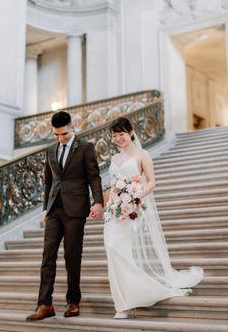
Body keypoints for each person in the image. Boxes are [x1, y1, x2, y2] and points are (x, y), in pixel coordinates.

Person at [103, 117, 203, 319]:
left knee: (118, 250)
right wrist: (109, 203)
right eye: (114, 136)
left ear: (131, 132)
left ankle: (131, 299)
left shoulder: (142, 154)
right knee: (112, 252)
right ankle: (123, 300)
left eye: (121, 134)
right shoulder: (114, 159)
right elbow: (112, 185)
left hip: (133, 210)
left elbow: (151, 182)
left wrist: (135, 196)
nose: (118, 139)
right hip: (113, 213)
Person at [26, 111, 103, 321]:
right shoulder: (50, 150)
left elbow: (94, 177)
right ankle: (44, 304)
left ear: (72, 128)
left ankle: (73, 301)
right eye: (56, 135)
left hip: (76, 210)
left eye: (63, 134)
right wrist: (45, 208)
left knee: (72, 256)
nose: (60, 138)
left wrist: (97, 202)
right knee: (47, 256)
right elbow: (48, 182)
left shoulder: (85, 147)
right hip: (53, 210)